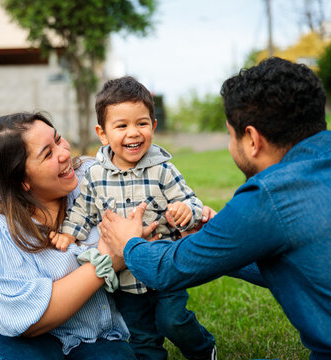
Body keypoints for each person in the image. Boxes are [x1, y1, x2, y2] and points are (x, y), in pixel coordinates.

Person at [98, 57, 331, 359]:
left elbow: (170, 270)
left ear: (252, 139)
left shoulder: (268, 195)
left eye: (231, 136)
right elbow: (302, 264)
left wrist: (129, 244)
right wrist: (219, 240)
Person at [0, 112, 140, 359]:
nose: (65, 153)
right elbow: (27, 319)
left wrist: (185, 215)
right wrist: (108, 260)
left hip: (92, 334)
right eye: (48, 154)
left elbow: (146, 205)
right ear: (22, 180)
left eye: (58, 139)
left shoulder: (93, 176)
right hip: (11, 337)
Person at [52, 76, 217, 360]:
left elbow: (191, 201)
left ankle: (203, 349)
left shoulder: (162, 170)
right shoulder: (95, 176)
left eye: (141, 123)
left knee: (172, 321)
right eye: (122, 126)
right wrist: (69, 232)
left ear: (153, 126)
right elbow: (82, 209)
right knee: (142, 339)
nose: (133, 133)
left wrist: (186, 210)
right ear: (102, 133)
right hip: (126, 282)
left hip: (165, 269)